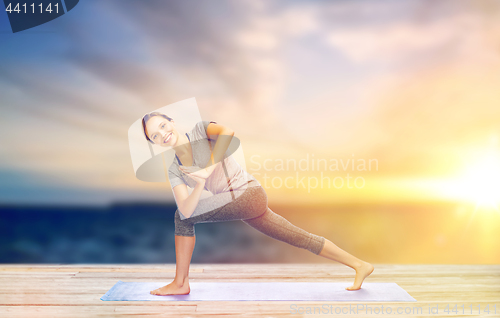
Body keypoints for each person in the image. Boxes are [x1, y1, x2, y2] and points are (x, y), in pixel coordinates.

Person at [141, 112, 374, 296]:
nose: (162, 134)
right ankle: (360, 265)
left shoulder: (201, 130)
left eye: (162, 126)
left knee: (181, 219)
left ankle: (181, 283)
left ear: (171, 121)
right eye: (155, 136)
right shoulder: (174, 170)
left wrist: (208, 169)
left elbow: (228, 133)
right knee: (297, 236)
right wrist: (200, 183)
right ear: (155, 143)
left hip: (249, 194)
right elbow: (186, 208)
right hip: (242, 203)